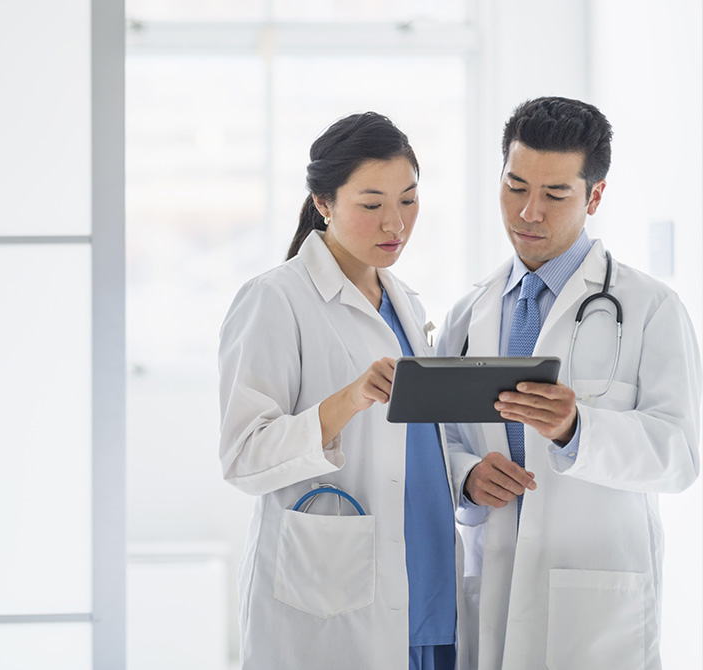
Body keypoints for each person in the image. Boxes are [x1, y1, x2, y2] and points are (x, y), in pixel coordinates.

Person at [436, 96, 701, 670]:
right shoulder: (467, 313)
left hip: (595, 600)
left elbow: (679, 456)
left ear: (594, 196)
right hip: (494, 578)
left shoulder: (651, 308)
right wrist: (466, 478)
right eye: (515, 186)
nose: (529, 212)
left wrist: (577, 429)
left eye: (555, 194)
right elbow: (442, 440)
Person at [218, 112, 468, 670]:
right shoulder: (274, 300)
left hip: (426, 574)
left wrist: (468, 472)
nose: (395, 224)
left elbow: (418, 448)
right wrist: (347, 401)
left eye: (408, 199)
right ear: (324, 204)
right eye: (372, 204)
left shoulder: (408, 302)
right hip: (336, 591)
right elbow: (241, 457)